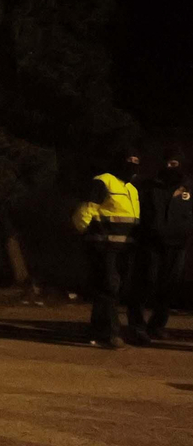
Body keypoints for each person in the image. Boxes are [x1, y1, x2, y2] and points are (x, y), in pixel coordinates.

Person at [72, 149, 142, 348]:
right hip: (103, 245)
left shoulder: (131, 189)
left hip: (123, 248)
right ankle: (110, 333)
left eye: (137, 161)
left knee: (109, 289)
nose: (133, 165)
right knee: (110, 287)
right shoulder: (103, 181)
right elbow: (86, 210)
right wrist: (86, 233)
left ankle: (97, 331)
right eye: (129, 160)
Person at [126, 147, 192, 343]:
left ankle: (157, 325)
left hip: (178, 246)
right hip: (151, 244)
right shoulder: (150, 187)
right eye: (166, 164)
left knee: (169, 287)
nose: (169, 167)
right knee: (145, 283)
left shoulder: (189, 188)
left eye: (174, 164)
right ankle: (136, 326)